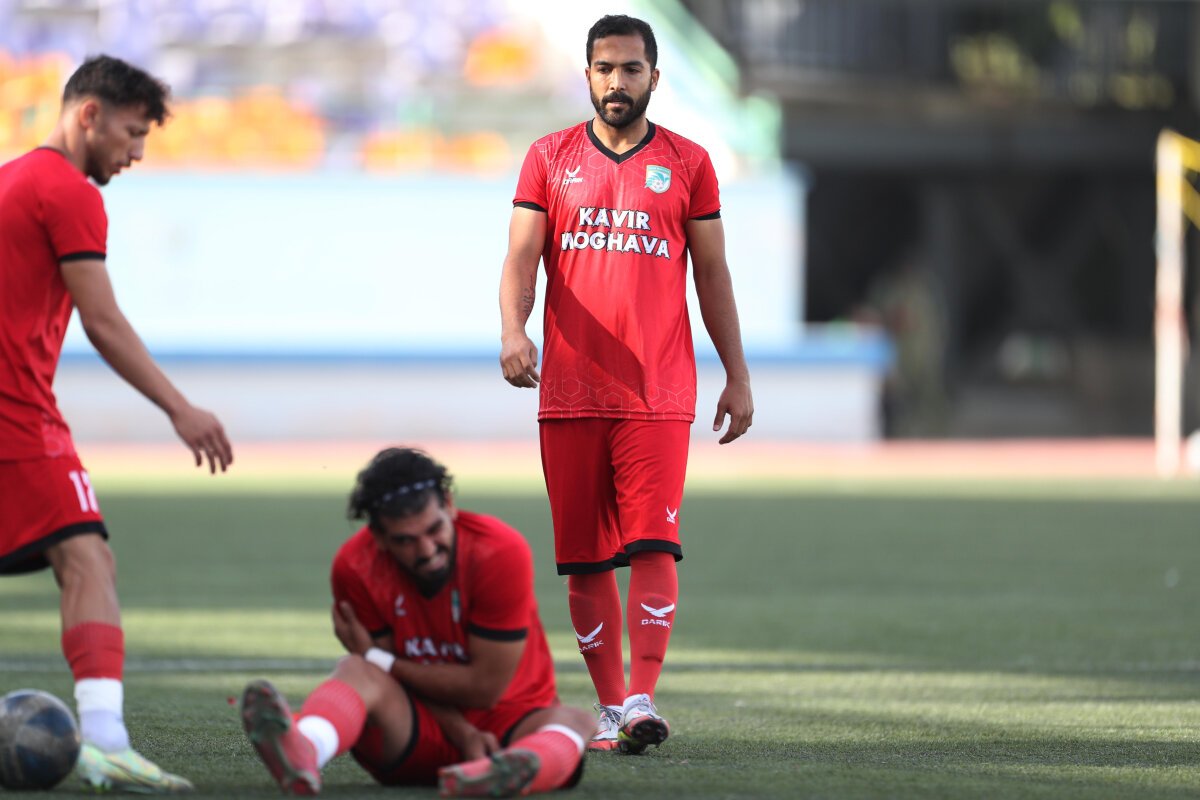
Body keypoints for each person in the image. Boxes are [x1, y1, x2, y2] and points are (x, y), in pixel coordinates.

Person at [498, 14, 754, 754]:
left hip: (657, 392)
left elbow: (712, 275)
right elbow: (521, 257)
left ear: (654, 77)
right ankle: (613, 709)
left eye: (631, 69)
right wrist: (514, 330)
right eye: (605, 68)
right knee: (583, 560)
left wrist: (737, 373)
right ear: (587, 75)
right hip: (569, 390)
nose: (617, 82)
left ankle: (641, 696)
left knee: (653, 545)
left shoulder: (690, 163)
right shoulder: (548, 158)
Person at [0, 55, 233, 792]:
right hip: (16, 417)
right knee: (86, 557)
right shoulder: (66, 190)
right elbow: (101, 320)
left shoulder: (8, 179)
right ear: (89, 115)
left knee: (81, 556)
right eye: (132, 133)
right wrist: (180, 408)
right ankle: (104, 739)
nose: (136, 153)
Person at [240, 447, 593, 797]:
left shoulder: (498, 551)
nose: (426, 550)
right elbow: (388, 680)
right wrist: (463, 734)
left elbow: (484, 690)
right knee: (355, 669)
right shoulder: (355, 566)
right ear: (379, 538)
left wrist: (378, 658)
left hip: (510, 725)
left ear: (449, 505)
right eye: (405, 541)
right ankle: (306, 749)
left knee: (576, 721)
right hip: (414, 728)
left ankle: (502, 772)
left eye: (434, 529)